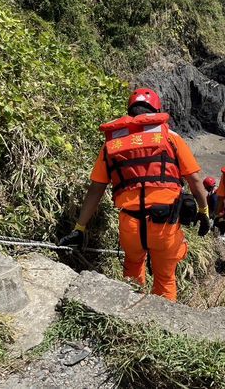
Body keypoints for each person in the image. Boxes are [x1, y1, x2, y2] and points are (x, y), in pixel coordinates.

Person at [59, 88, 210, 302]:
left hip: (129, 223)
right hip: (164, 224)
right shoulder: (170, 137)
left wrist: (80, 227)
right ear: (156, 110)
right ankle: (161, 325)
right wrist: (204, 211)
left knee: (132, 270)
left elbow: (96, 189)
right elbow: (195, 181)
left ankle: (131, 314)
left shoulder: (112, 144)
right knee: (165, 279)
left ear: (129, 112)